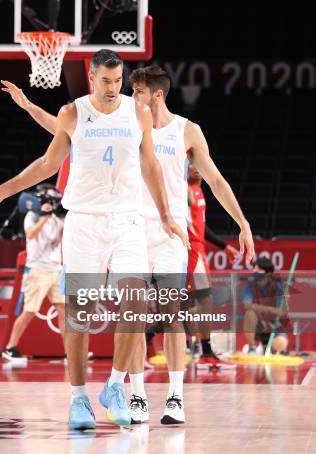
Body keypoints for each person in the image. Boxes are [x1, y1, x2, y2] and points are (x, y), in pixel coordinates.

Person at [0, 49, 188, 430]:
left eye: (118, 81)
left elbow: (150, 164)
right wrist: (0, 192)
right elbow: (47, 164)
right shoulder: (73, 113)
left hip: (128, 221)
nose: (113, 88)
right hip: (83, 223)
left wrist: (166, 215)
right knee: (79, 315)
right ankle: (79, 399)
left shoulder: (139, 112)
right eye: (106, 81)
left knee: (134, 307)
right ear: (91, 77)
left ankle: (116, 385)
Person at [126, 65, 253, 424]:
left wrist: (242, 222)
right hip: (132, 230)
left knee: (170, 318)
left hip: (172, 236)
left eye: (137, 91)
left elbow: (215, 179)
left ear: (157, 95)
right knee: (133, 318)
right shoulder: (127, 126)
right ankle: (136, 396)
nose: (132, 97)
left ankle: (175, 398)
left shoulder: (187, 131)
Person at [186, 163, 244, 370]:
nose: (196, 167)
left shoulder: (198, 189)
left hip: (198, 249)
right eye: (190, 164)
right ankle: (205, 352)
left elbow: (201, 227)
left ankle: (203, 351)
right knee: (203, 302)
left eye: (198, 163)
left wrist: (224, 246)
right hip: (190, 250)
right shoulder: (184, 189)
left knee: (193, 304)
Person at [3, 183, 65, 361]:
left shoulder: (58, 217)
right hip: (38, 269)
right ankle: (10, 347)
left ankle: (71, 352)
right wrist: (44, 216)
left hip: (56, 269)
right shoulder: (32, 215)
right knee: (30, 310)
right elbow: (30, 234)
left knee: (63, 309)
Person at [240, 257, 289, 355]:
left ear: (268, 273)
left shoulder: (279, 286)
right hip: (258, 325)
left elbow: (283, 311)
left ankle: (269, 348)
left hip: (274, 326)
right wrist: (272, 310)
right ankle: (252, 348)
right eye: (254, 269)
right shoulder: (250, 285)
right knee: (250, 313)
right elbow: (247, 305)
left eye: (258, 270)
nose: (254, 272)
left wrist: (286, 300)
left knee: (281, 345)